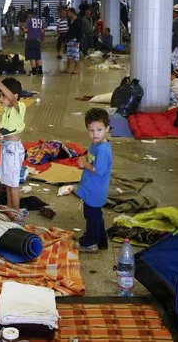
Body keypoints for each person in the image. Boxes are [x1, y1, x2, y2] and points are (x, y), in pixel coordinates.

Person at [73, 108, 112, 253]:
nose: (95, 134)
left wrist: (85, 164)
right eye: (91, 130)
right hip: (92, 188)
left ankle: (90, 242)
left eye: (99, 130)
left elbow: (99, 170)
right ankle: (102, 240)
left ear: (107, 128)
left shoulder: (103, 149)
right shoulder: (96, 144)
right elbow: (93, 161)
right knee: (96, 216)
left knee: (91, 217)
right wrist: (86, 159)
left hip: (95, 190)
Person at [0, 77, 26, 210]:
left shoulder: (19, 106)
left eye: (3, 96)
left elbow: (11, 98)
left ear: (14, 96)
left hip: (14, 150)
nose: (1, 99)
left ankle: (16, 212)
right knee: (7, 181)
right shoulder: (7, 109)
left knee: (13, 183)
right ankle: (10, 206)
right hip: (6, 148)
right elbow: (3, 124)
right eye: (1, 96)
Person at [24, 9, 45, 76]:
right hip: (38, 40)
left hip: (30, 40)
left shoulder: (29, 20)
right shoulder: (40, 20)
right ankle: (40, 71)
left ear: (30, 14)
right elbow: (42, 30)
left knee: (31, 56)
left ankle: (33, 72)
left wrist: (22, 28)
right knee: (38, 56)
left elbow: (25, 30)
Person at [64, 7, 82, 74]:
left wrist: (78, 41)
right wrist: (66, 39)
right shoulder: (69, 20)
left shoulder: (79, 20)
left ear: (72, 12)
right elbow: (68, 31)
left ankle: (76, 69)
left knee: (75, 55)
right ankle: (68, 69)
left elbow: (80, 32)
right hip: (69, 39)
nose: (67, 14)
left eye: (68, 13)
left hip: (75, 40)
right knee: (69, 55)